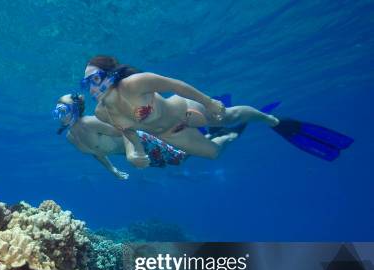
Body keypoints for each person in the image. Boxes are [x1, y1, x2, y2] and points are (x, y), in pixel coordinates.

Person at [81, 55, 353, 161]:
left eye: (94, 80)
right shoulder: (103, 113)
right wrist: (135, 151)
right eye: (87, 84)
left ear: (110, 74)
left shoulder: (134, 83)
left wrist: (209, 102)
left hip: (184, 109)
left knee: (230, 115)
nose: (92, 89)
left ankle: (270, 119)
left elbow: (175, 85)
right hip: (172, 134)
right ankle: (228, 136)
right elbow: (127, 130)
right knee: (213, 153)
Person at [52, 93, 239, 178]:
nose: (59, 114)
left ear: (75, 110)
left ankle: (227, 135)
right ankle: (203, 135)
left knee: (180, 157)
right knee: (177, 158)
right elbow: (96, 151)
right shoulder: (71, 137)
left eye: (63, 109)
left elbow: (124, 129)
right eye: (58, 109)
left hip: (142, 142)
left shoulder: (89, 123)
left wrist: (132, 152)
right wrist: (112, 170)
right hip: (137, 151)